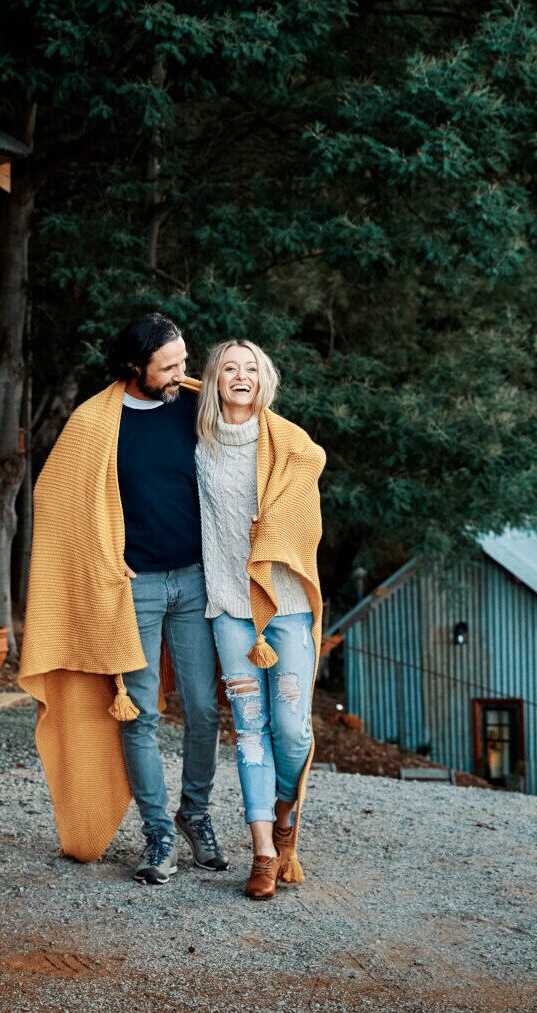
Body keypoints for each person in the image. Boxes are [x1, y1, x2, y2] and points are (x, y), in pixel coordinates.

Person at [15, 312, 227, 885]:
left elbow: (260, 449)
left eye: (185, 361)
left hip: (196, 580)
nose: (183, 373)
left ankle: (195, 814)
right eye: (169, 366)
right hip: (135, 589)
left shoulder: (194, 405)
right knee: (140, 714)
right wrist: (104, 558)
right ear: (135, 367)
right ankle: (158, 833)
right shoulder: (95, 423)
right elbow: (56, 496)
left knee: (204, 708)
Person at [193, 339, 326, 900]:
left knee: (291, 729)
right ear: (214, 380)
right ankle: (264, 853)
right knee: (249, 731)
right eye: (229, 368)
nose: (240, 376)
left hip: (287, 606)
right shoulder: (197, 445)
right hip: (230, 607)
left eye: (251, 368)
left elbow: (307, 498)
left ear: (264, 380)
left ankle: (285, 812)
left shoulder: (289, 442)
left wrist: (270, 527)